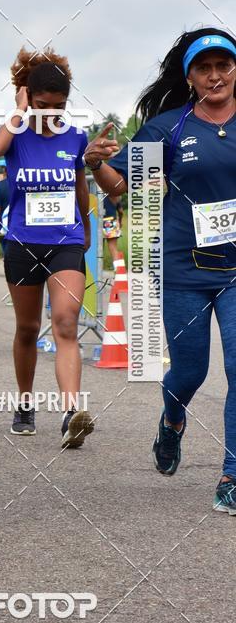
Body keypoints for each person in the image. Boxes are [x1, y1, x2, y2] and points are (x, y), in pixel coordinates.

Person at [85, 27, 236, 514]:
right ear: (190, 77)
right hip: (183, 270)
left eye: (224, 65)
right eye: (204, 68)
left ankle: (231, 475)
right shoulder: (168, 129)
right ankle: (172, 422)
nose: (216, 75)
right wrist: (95, 165)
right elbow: (121, 185)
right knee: (190, 371)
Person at [0, 48, 94, 447]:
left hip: (65, 242)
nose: (51, 113)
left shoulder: (76, 136)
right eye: (41, 105)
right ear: (27, 97)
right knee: (28, 328)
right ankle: (25, 402)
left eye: (60, 106)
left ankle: (71, 413)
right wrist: (19, 113)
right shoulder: (15, 135)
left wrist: (84, 230)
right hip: (21, 243)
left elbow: (81, 187)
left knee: (66, 323)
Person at [102, 193, 124, 264]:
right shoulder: (114, 194)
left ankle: (96, 272)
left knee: (98, 249)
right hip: (112, 221)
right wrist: (120, 221)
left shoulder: (97, 193)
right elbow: (120, 211)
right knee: (113, 248)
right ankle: (119, 271)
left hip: (99, 221)